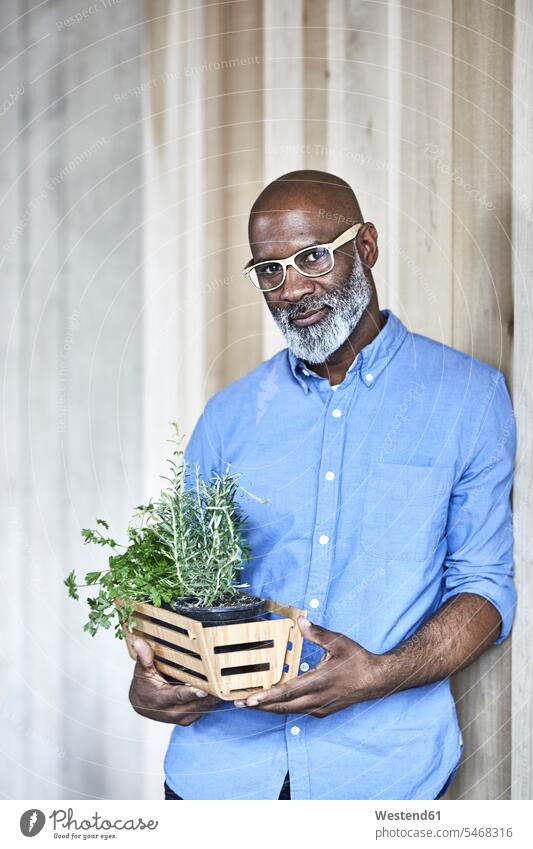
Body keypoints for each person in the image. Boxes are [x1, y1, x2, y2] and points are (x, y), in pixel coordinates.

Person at [129, 170, 516, 800]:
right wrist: (155, 669)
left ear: (364, 247)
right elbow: (179, 587)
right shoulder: (229, 415)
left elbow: (484, 587)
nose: (292, 289)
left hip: (383, 777)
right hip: (219, 778)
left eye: (312, 257)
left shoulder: (468, 398)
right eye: (269, 270)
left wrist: (382, 673)